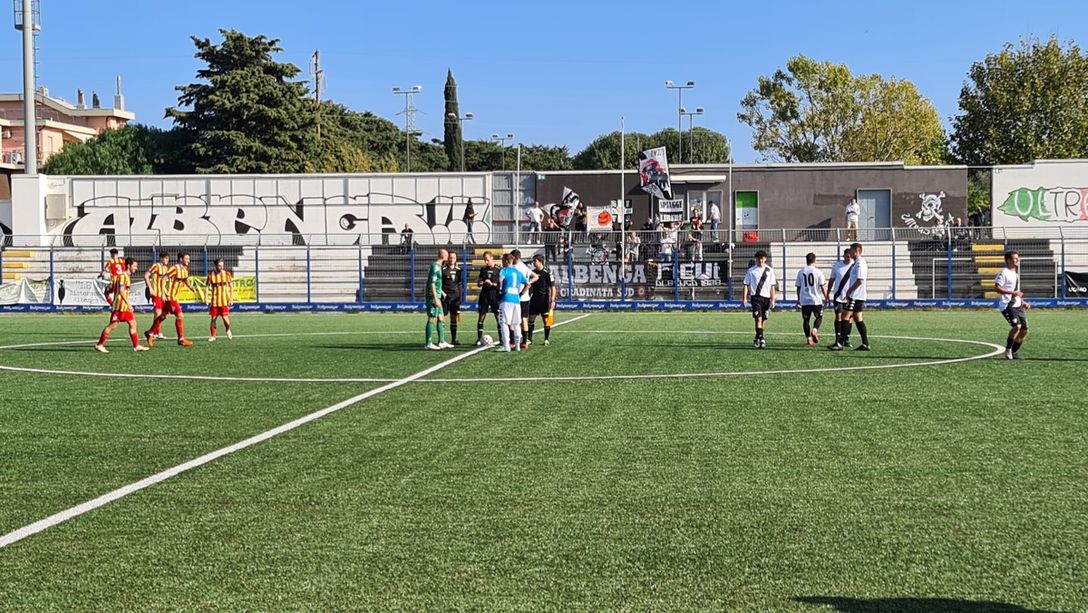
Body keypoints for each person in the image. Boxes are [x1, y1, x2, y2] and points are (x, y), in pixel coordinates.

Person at [95, 258, 150, 353]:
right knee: (113, 325)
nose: (136, 268)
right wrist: (129, 304)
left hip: (125, 307)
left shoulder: (126, 276)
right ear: (129, 265)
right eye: (135, 266)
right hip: (119, 307)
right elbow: (121, 291)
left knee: (133, 323)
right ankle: (100, 345)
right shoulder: (123, 276)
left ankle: (136, 346)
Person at [146, 251, 198, 347]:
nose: (188, 261)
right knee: (180, 316)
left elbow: (185, 279)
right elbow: (163, 279)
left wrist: (191, 287)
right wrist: (163, 293)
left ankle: (150, 332)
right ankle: (181, 339)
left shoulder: (185, 269)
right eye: (186, 259)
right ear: (181, 259)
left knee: (163, 316)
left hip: (174, 297)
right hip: (170, 297)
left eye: (189, 259)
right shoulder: (175, 268)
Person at [831, 242, 870, 351]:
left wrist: (849, 290)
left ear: (856, 251)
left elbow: (860, 280)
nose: (850, 253)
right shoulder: (857, 262)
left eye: (851, 250)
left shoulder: (859, 263)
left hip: (856, 296)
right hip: (858, 296)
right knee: (858, 318)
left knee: (844, 317)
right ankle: (865, 343)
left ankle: (840, 343)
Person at [995, 250, 1030, 360]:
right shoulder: (1003, 272)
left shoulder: (1016, 274)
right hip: (1007, 305)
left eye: (1017, 258)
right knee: (1017, 326)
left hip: (1018, 305)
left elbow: (1017, 291)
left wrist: (1023, 302)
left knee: (1024, 330)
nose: (1017, 260)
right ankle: (1008, 350)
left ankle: (1014, 352)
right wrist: (1011, 293)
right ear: (1009, 260)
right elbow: (997, 288)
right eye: (1015, 258)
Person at [742, 250, 777, 348]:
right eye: (758, 259)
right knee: (758, 319)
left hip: (766, 298)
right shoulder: (751, 270)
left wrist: (773, 300)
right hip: (756, 298)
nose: (760, 261)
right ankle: (761, 339)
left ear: (765, 259)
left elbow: (772, 286)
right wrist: (744, 298)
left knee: (762, 321)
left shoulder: (769, 271)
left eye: (762, 259)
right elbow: (746, 285)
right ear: (756, 259)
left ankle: (759, 337)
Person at [496, 253, 527, 353]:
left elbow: (500, 280)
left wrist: (499, 289)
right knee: (516, 323)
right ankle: (517, 346)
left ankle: (506, 346)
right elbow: (528, 284)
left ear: (505, 261)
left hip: (506, 299)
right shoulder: (517, 272)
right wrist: (521, 293)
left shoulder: (504, 270)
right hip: (516, 300)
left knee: (504, 322)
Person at [795, 252, 828, 346]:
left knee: (806, 320)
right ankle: (814, 330)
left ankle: (809, 338)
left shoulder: (801, 272)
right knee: (819, 317)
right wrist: (826, 297)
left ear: (806, 261)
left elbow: (798, 287)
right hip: (816, 299)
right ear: (814, 260)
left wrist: (799, 300)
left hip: (805, 300)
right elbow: (822, 286)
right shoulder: (818, 272)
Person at [424, 248, 452, 350]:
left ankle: (441, 341)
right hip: (433, 297)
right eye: (446, 255)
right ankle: (428, 343)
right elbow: (431, 283)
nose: (448, 257)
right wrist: (435, 298)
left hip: (438, 295)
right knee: (432, 318)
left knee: (441, 317)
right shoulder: (435, 267)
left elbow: (436, 283)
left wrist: (442, 293)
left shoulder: (439, 266)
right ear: (442, 256)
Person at [526, 254, 556, 346]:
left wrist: (552, 300)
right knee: (531, 319)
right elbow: (529, 286)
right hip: (534, 299)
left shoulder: (547, 272)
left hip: (544, 300)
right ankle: (529, 339)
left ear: (540, 261)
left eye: (535, 261)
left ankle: (546, 339)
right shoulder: (533, 273)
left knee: (546, 320)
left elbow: (552, 287)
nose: (533, 263)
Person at [828, 247, 855, 348]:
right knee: (838, 317)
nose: (848, 258)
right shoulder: (837, 266)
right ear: (843, 256)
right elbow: (832, 279)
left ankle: (846, 339)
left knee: (849, 318)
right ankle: (838, 339)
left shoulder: (854, 266)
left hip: (850, 296)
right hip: (838, 296)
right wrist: (827, 293)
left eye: (850, 257)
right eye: (846, 256)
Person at [510, 249, 537, 348]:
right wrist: (529, 283)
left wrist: (525, 287)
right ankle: (524, 342)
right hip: (525, 298)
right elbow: (535, 276)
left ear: (515, 257)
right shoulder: (524, 267)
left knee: (513, 320)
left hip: (517, 296)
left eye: (512, 258)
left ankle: (512, 341)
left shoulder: (515, 267)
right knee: (524, 319)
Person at [475, 251, 503, 346]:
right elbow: (478, 283)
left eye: (487, 260)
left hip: (495, 295)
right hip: (485, 295)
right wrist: (484, 282)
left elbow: (502, 284)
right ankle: (479, 339)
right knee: (481, 316)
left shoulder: (499, 269)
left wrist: (493, 284)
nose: (486, 262)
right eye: (484, 260)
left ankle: (501, 338)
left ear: (492, 258)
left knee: (498, 316)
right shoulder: (483, 269)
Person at [143, 251, 171, 340]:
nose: (167, 260)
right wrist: (150, 288)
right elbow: (146, 275)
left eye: (167, 258)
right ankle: (158, 333)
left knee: (165, 314)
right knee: (158, 313)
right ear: (161, 258)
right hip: (156, 294)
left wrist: (166, 293)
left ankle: (152, 332)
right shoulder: (156, 266)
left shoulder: (166, 268)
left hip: (163, 294)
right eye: (165, 258)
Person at [205, 258, 234, 342]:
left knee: (226, 319)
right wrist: (206, 298)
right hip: (215, 302)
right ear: (215, 266)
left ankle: (228, 329)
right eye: (219, 266)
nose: (221, 267)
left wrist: (231, 298)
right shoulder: (211, 275)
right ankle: (213, 336)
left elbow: (231, 286)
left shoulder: (227, 274)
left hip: (224, 301)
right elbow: (207, 287)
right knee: (213, 319)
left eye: (222, 265)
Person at [442, 250, 463, 345]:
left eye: (453, 258)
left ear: (456, 259)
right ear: (447, 258)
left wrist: (460, 297)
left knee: (454, 318)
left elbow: (460, 285)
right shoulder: (443, 270)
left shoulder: (459, 270)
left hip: (455, 298)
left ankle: (454, 339)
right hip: (445, 297)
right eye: (450, 257)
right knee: (442, 318)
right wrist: (442, 294)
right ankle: (441, 340)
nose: (452, 259)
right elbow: (439, 284)